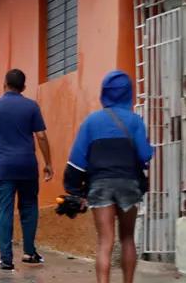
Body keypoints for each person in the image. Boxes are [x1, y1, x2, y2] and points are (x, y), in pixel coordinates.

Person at [64, 70, 154, 283]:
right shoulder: (135, 121)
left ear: (104, 93)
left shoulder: (91, 122)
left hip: (100, 185)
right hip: (128, 184)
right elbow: (144, 154)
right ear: (128, 94)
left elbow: (76, 160)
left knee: (105, 241)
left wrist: (75, 191)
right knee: (127, 238)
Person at [0, 69, 53, 270]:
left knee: (3, 211)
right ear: (24, 87)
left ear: (4, 84)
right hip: (28, 166)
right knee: (29, 208)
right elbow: (42, 136)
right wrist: (48, 163)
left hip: (3, 169)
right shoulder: (31, 106)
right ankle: (29, 252)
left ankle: (6, 259)